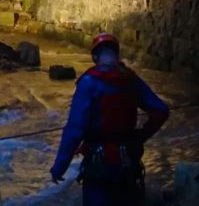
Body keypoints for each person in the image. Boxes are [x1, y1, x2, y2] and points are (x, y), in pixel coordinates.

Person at [50, 33, 169, 206]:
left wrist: (59, 168)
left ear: (95, 57)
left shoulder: (88, 82)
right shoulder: (131, 79)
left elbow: (75, 130)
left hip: (99, 164)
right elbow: (161, 111)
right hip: (128, 159)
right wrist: (140, 136)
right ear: (117, 54)